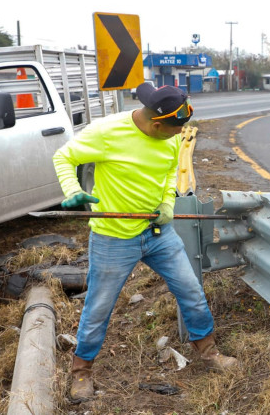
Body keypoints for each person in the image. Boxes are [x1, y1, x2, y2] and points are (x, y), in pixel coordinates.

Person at [53, 83, 237, 402]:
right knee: (99, 307)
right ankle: (81, 373)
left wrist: (167, 203)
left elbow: (168, 173)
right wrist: (72, 191)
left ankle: (208, 353)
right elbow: (64, 156)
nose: (178, 136)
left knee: (191, 289)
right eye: (173, 131)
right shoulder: (107, 132)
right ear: (155, 125)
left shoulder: (172, 134)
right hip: (113, 238)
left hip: (157, 233)